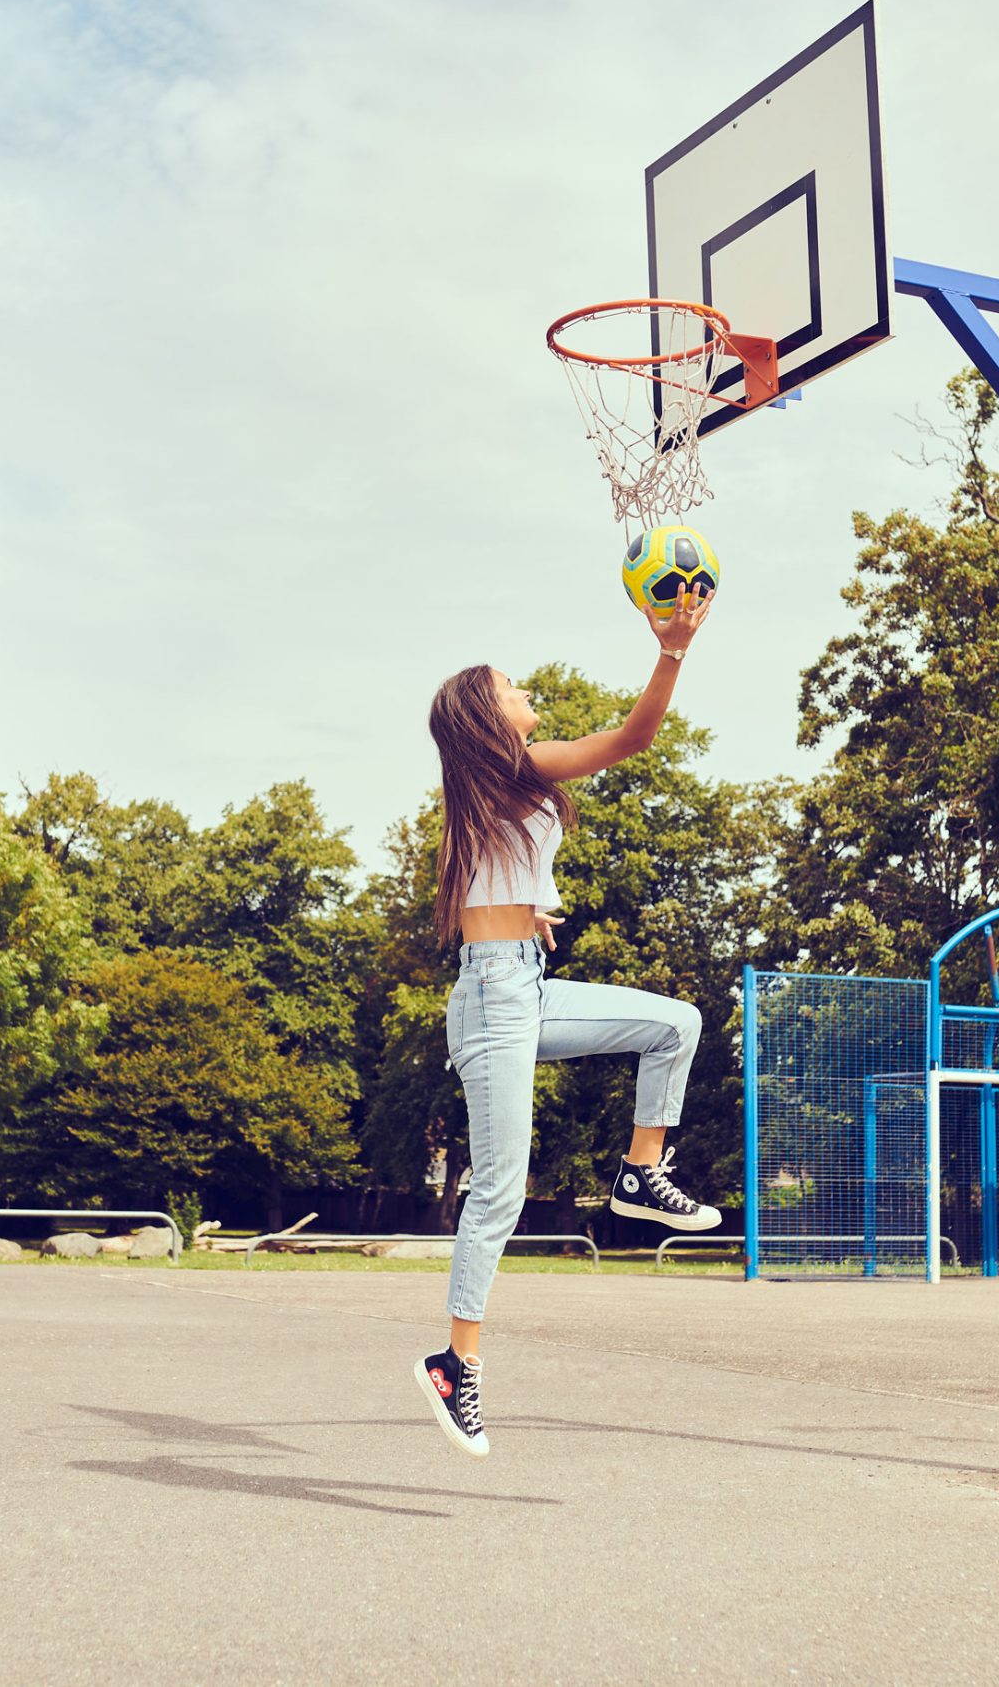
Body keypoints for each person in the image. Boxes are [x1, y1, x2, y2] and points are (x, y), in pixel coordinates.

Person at [413, 586, 723, 1458]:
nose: (530, 698)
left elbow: (497, 886)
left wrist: (530, 911)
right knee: (501, 1191)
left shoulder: (491, 799)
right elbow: (632, 739)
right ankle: (454, 1363)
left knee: (677, 1024)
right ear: (483, 714)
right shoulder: (506, 776)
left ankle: (639, 1173)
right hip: (492, 1001)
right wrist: (672, 650)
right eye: (515, 689)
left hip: (524, 983)